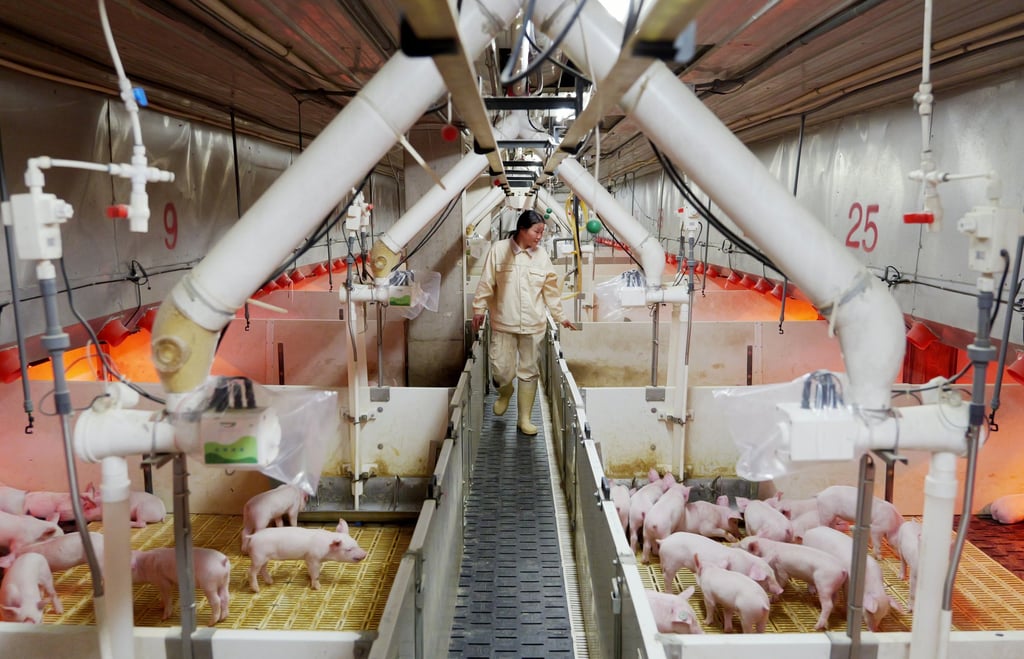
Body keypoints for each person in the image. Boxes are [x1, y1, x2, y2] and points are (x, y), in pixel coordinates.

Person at [472, 209, 577, 435]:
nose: (540, 237)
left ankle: (524, 419)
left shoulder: (542, 257)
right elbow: (486, 282)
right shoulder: (498, 251)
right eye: (536, 231)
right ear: (522, 229)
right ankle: (505, 391)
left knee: (529, 371)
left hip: (533, 324)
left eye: (542, 232)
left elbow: (550, 290)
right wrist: (478, 308)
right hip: (503, 322)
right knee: (501, 370)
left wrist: (561, 316)